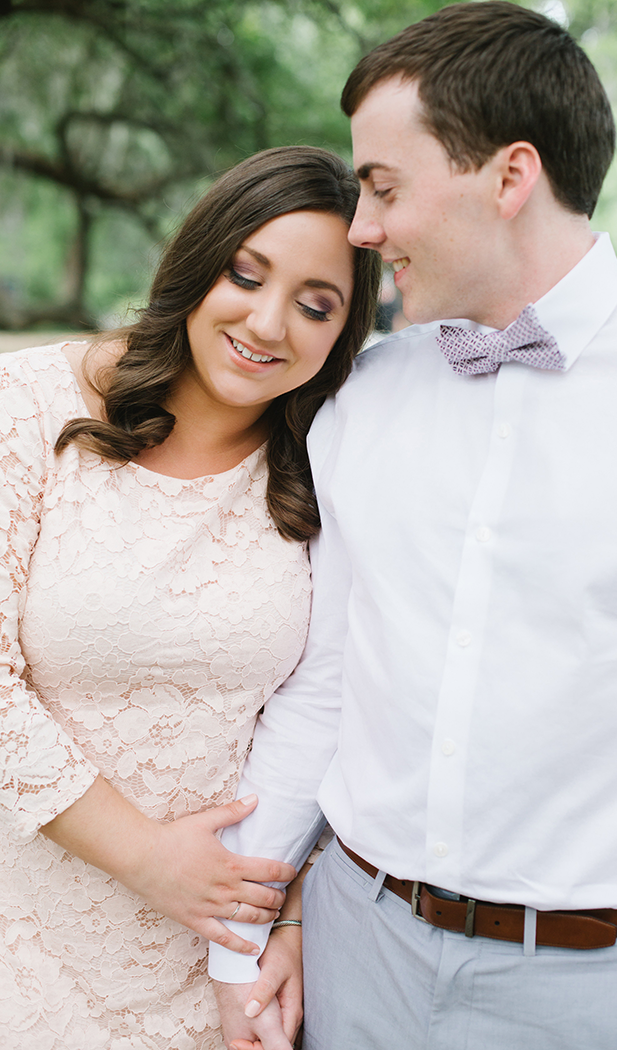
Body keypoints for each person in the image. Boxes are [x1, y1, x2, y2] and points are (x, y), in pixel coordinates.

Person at [211, 5, 617, 1050]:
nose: (360, 229)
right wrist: (245, 936)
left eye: (383, 187)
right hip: (351, 949)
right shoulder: (365, 396)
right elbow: (326, 683)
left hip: (601, 993)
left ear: (509, 177)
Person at [0, 144, 379, 1049]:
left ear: (344, 331)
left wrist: (277, 919)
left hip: (221, 961)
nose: (268, 322)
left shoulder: (334, 471)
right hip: (28, 936)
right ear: (197, 261)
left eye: (315, 303)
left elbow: (339, 711)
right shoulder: (31, 401)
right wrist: (146, 858)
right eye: (245, 275)